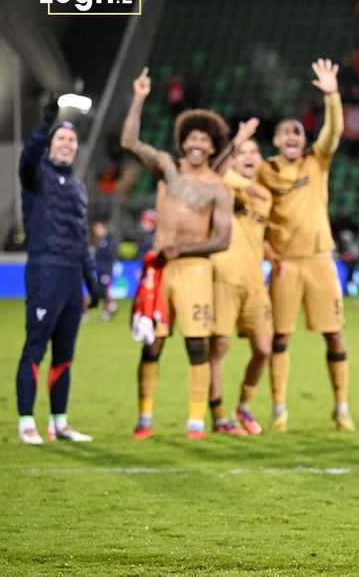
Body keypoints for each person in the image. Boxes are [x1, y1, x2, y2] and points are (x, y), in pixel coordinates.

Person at [121, 67, 233, 440]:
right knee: (152, 342)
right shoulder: (167, 168)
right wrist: (139, 97)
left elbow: (222, 239)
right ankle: (144, 418)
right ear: (183, 143)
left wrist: (182, 247)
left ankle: (195, 420)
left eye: (204, 138)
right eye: (191, 137)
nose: (197, 143)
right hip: (159, 269)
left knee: (196, 344)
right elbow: (129, 142)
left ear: (214, 147)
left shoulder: (218, 189)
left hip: (195, 271)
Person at [257, 58, 351, 432]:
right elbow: (255, 213)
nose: (293, 138)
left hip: (319, 260)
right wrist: (265, 250)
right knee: (280, 336)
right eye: (286, 134)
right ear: (277, 141)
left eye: (298, 133)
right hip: (285, 264)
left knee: (335, 334)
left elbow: (333, 132)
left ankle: (341, 407)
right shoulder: (265, 170)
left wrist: (332, 97)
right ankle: (279, 408)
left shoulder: (318, 161)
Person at [15, 105, 104, 445]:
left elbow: (82, 239)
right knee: (35, 348)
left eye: (72, 138)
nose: (67, 143)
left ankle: (60, 423)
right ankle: (26, 422)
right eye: (61, 138)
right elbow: (28, 157)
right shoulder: (36, 177)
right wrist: (45, 124)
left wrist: (92, 282)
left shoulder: (78, 187)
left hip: (70, 279)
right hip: (44, 271)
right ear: (51, 144)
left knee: (65, 353)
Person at [206, 119, 274, 435]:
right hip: (224, 275)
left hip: (254, 280)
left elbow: (257, 233)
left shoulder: (265, 194)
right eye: (242, 152)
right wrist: (236, 140)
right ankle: (219, 415)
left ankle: (243, 406)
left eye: (254, 151)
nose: (248, 156)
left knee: (263, 348)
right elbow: (216, 173)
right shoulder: (223, 185)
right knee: (219, 346)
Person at [90, 220, 119, 321]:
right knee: (101, 290)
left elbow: (110, 254)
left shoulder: (109, 238)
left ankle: (108, 309)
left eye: (97, 228)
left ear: (102, 227)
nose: (96, 231)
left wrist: (97, 252)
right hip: (100, 268)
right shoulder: (100, 240)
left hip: (106, 269)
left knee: (104, 289)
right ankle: (110, 306)